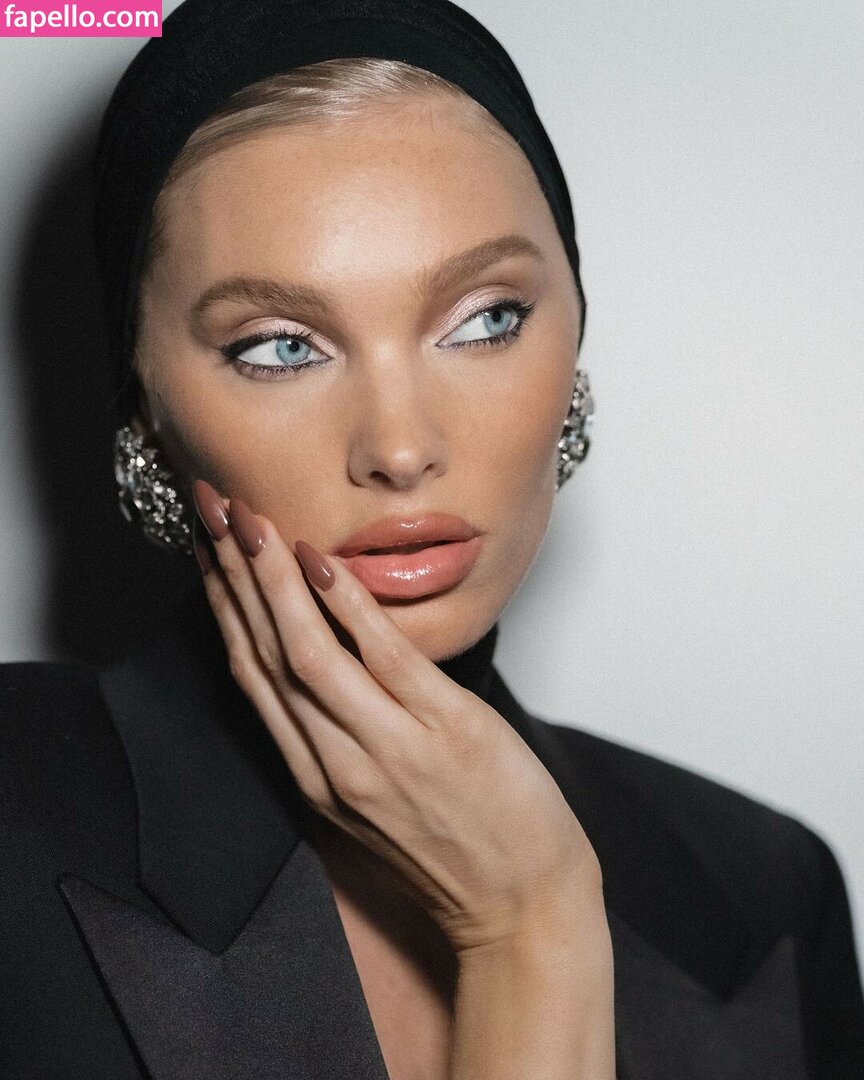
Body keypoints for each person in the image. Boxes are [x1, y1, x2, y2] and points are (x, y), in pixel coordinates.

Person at [1, 0, 862, 1077]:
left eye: (486, 319)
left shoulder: (762, 892)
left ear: (577, 337)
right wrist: (527, 934)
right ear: (147, 410)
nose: (401, 449)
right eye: (281, 346)